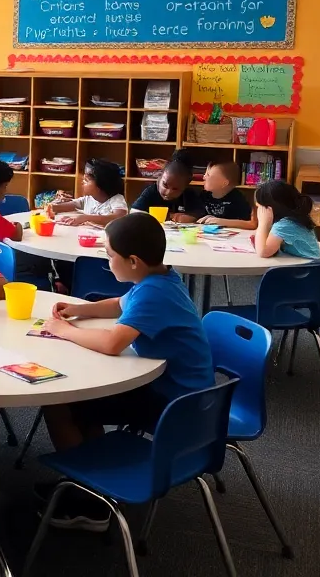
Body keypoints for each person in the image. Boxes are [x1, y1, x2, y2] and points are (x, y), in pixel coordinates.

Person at [40, 213, 213, 531]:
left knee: (59, 404)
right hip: (182, 394)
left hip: (177, 406)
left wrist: (62, 329)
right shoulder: (159, 279)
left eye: (109, 255)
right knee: (84, 404)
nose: (106, 261)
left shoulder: (152, 293)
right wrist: (79, 309)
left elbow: (112, 343)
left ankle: (89, 503)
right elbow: (121, 304)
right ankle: (90, 483)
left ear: (132, 261)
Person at [45, 158, 128, 226]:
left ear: (101, 185)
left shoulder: (116, 199)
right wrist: (53, 208)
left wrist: (85, 217)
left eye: (86, 180)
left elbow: (119, 217)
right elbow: (73, 204)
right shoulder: (89, 199)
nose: (82, 182)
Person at [254, 180, 320, 259]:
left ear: (270, 208)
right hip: (306, 264)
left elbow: (263, 252)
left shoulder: (285, 224)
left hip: (309, 268)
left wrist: (262, 224)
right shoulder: (293, 218)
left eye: (260, 207)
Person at [131, 154, 202, 223]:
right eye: (165, 185)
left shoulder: (189, 195)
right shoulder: (151, 191)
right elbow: (134, 212)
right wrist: (168, 216)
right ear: (159, 177)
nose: (168, 192)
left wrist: (190, 218)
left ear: (185, 187)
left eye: (175, 189)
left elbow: (199, 216)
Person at [197, 161, 255, 229]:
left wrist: (221, 221)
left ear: (224, 183)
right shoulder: (204, 195)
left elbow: (250, 224)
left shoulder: (238, 199)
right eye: (205, 173)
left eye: (208, 175)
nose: (204, 177)